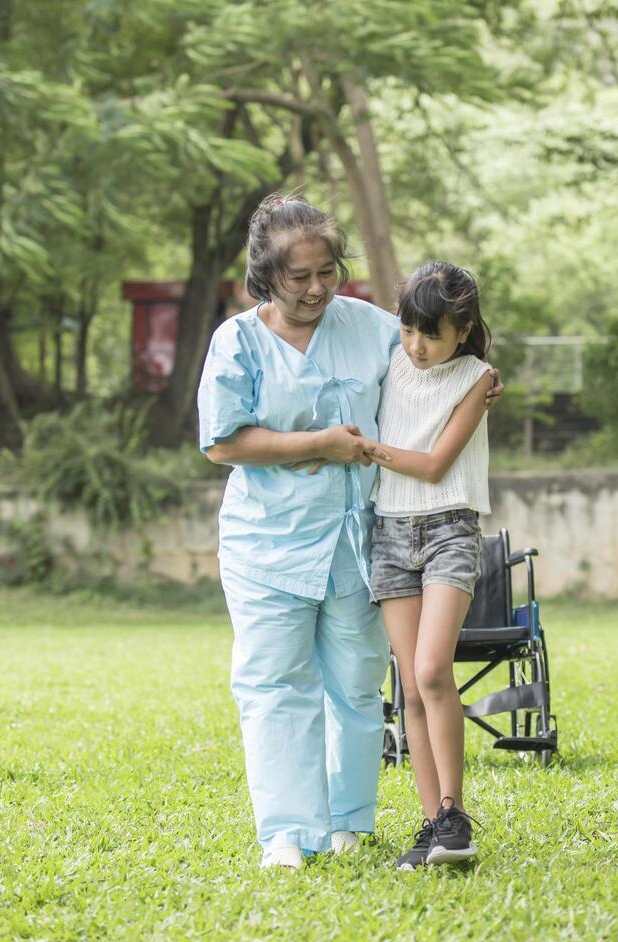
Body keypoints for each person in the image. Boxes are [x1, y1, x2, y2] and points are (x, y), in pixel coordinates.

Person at [197, 197, 498, 870]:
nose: (315, 289)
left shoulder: (371, 327)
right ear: (265, 275)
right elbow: (222, 443)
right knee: (274, 683)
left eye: (326, 271)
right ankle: (284, 832)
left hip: (364, 540)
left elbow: (436, 350)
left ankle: (348, 820)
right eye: (298, 276)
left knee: (357, 684)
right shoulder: (236, 342)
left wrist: (480, 377)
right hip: (268, 542)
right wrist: (321, 444)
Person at [363, 261, 494, 870]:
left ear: (462, 331)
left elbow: (436, 464)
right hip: (388, 531)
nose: (417, 346)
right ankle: (431, 826)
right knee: (410, 685)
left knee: (434, 668)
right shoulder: (390, 358)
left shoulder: (477, 377)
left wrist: (364, 448)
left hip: (449, 530)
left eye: (432, 334)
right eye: (410, 330)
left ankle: (453, 815)